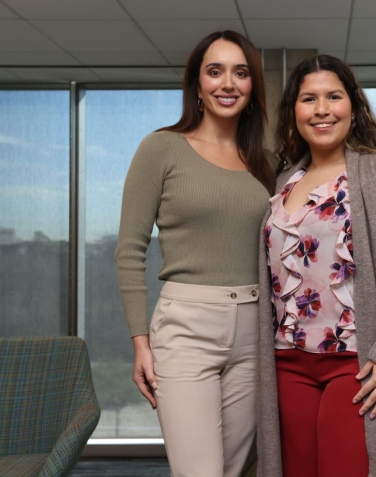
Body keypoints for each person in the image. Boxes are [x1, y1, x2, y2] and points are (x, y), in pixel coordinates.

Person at [255, 54, 376, 477]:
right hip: (288, 362)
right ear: (294, 112)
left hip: (358, 364)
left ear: (354, 107)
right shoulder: (283, 181)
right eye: (309, 99)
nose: (322, 109)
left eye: (334, 97)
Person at [115, 30, 274, 477]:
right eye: (215, 71)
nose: (228, 83)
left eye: (240, 73)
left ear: (253, 86)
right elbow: (129, 250)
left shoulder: (267, 162)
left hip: (255, 332)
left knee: (235, 470)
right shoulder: (161, 148)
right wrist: (140, 342)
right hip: (185, 330)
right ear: (197, 85)